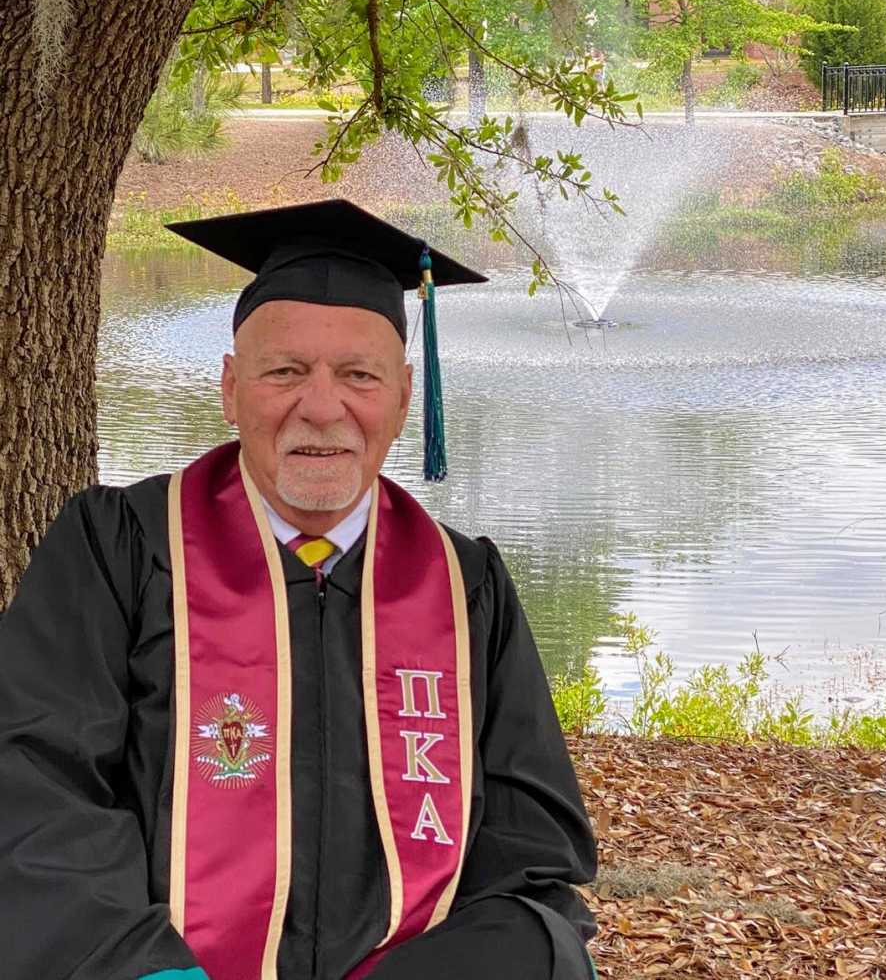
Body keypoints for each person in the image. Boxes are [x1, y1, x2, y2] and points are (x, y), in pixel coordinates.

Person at [0, 199, 597, 980]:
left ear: (405, 394)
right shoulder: (118, 550)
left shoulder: (465, 588)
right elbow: (31, 791)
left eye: (359, 374)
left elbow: (532, 864)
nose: (322, 406)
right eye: (284, 371)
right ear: (229, 386)